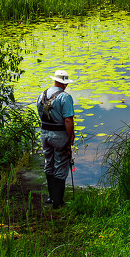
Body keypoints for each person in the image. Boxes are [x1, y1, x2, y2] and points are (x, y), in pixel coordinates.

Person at [37, 69, 75, 210]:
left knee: (49, 162)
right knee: (61, 164)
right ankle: (58, 202)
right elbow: (68, 120)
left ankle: (51, 197)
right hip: (59, 135)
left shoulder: (41, 94)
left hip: (44, 133)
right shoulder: (65, 97)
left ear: (55, 80)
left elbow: (40, 113)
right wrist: (70, 137)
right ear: (64, 84)